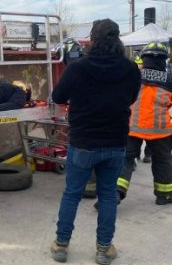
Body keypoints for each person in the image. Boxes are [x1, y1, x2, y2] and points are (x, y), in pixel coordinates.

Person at [49, 19, 141, 264]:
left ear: (92, 39)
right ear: (117, 39)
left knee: (72, 194)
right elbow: (131, 98)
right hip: (115, 141)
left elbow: (57, 96)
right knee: (108, 195)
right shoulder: (130, 68)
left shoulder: (78, 67)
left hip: (83, 142)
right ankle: (103, 249)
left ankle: (61, 245)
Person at [115, 42, 172, 205]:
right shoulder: (170, 79)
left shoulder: (133, 75)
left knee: (125, 160)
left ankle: (116, 193)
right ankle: (165, 195)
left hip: (132, 127)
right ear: (164, 59)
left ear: (144, 58)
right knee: (163, 161)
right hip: (160, 130)